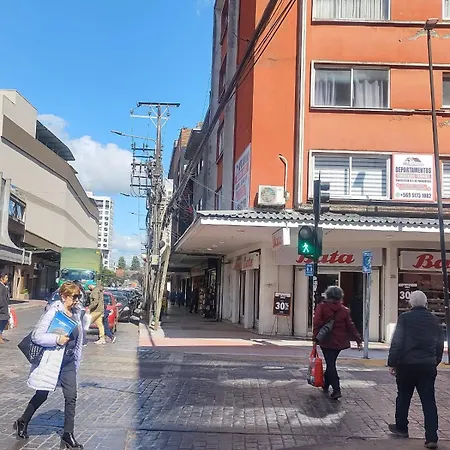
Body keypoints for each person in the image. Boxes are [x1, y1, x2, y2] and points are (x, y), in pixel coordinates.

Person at [14, 281, 84, 449]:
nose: (76, 300)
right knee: (42, 394)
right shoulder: (53, 312)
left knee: (71, 396)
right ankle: (23, 421)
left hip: (68, 362)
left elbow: (79, 338)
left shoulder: (76, 313)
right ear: (64, 296)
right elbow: (37, 336)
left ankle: (68, 434)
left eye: (78, 297)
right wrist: (56, 339)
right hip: (53, 360)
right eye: (74, 297)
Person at [387, 290, 444, 449]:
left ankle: (401, 428)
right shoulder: (434, 320)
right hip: (427, 365)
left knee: (403, 397)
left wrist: (392, 362)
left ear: (410, 303)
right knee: (428, 401)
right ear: (426, 303)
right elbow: (439, 344)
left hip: (406, 365)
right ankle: (431, 437)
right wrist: (435, 361)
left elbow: (397, 341)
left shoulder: (404, 318)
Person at [313, 286, 362, 400]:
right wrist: (358, 339)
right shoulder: (344, 310)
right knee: (331, 363)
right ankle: (326, 384)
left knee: (330, 364)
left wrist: (315, 339)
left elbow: (317, 323)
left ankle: (336, 389)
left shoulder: (322, 307)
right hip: (339, 342)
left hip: (326, 340)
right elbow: (350, 325)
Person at [0, 272, 10, 344]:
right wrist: (2, 306)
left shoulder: (4, 286)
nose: (7, 279)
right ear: (1, 278)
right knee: (2, 322)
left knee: (4, 321)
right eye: (6, 277)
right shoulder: (1, 287)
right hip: (2, 309)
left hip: (4, 308)